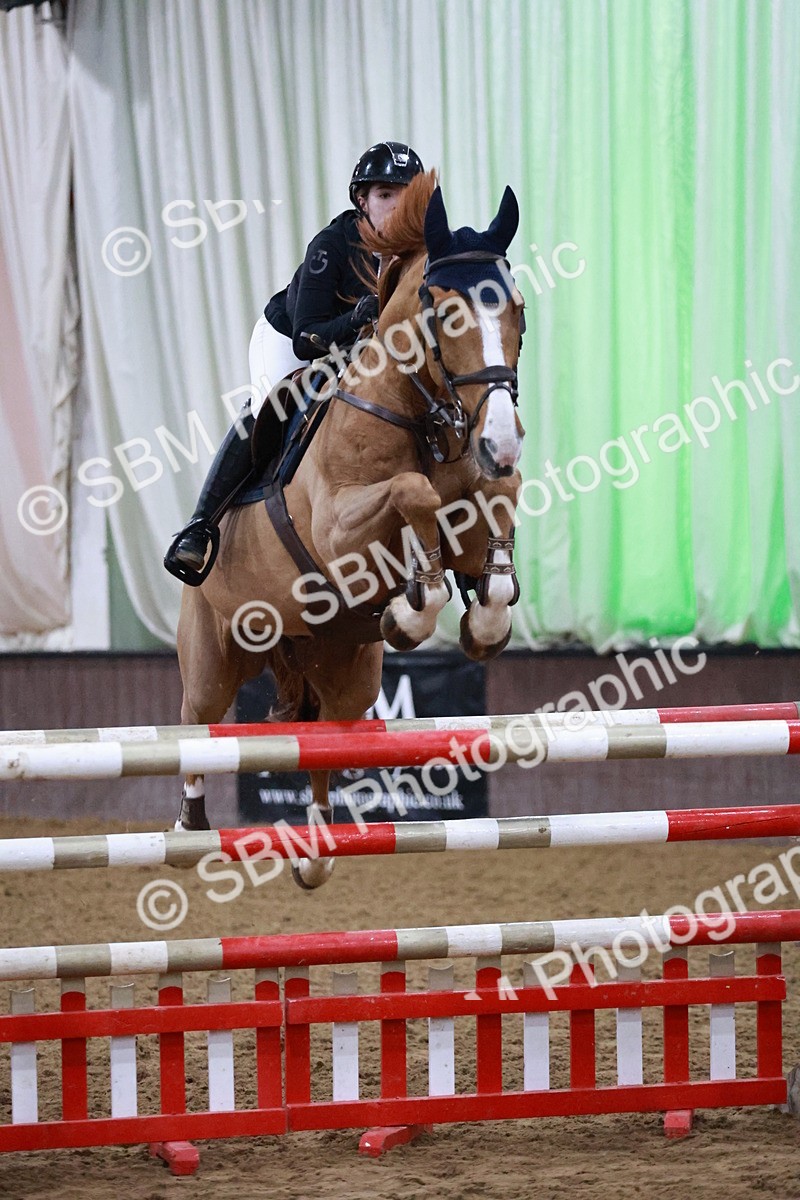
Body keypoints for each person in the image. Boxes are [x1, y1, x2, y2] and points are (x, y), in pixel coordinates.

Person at [167, 141, 424, 578]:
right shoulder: (331, 246)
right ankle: (200, 527)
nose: (397, 207)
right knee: (269, 404)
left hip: (363, 349)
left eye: (407, 195)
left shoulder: (420, 250)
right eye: (385, 195)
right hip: (291, 337)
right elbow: (308, 339)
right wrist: (356, 318)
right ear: (362, 201)